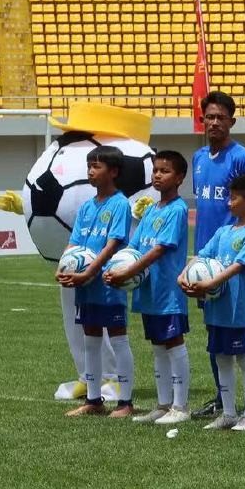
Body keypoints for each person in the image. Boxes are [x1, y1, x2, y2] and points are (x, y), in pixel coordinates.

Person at [192, 91, 245, 417]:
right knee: (214, 328)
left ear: (231, 121)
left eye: (220, 117)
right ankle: (222, 400)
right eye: (209, 117)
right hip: (207, 258)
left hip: (234, 258)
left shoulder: (242, 159)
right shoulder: (198, 158)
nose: (214, 122)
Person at [107, 150, 191, 425]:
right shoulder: (152, 210)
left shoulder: (177, 210)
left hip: (167, 292)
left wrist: (128, 272)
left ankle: (180, 406)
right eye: (155, 170)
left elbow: (158, 250)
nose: (157, 175)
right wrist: (116, 267)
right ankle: (163, 404)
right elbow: (134, 246)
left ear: (179, 178)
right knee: (157, 346)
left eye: (165, 171)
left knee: (173, 344)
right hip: (148, 290)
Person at [180, 173, 245, 431]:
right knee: (221, 358)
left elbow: (239, 265)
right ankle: (228, 413)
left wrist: (210, 283)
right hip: (216, 307)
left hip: (237, 308)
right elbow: (202, 255)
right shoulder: (223, 231)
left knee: (243, 357)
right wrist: (183, 274)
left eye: (234, 198)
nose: (229, 202)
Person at [57, 146, 136, 417]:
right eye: (89, 165)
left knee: (118, 339)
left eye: (97, 166)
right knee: (90, 339)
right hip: (86, 285)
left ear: (113, 172)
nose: (91, 171)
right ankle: (94, 400)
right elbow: (74, 243)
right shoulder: (87, 207)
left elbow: (112, 245)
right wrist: (63, 267)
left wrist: (89, 272)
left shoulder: (120, 204)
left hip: (108, 283)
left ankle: (125, 402)